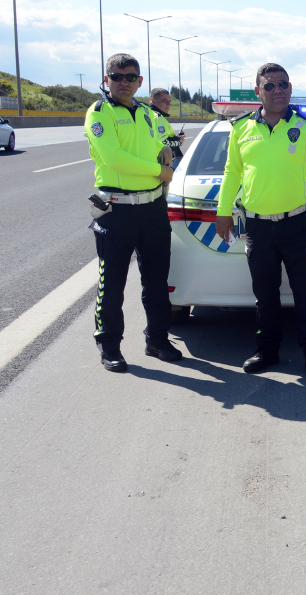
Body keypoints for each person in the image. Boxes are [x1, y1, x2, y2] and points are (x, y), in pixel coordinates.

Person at [216, 63, 306, 380]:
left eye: (283, 84)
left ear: (291, 88)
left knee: (305, 296)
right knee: (265, 296)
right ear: (258, 91)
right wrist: (222, 211)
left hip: (299, 224)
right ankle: (267, 351)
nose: (277, 90)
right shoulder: (240, 128)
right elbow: (232, 174)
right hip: (257, 227)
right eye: (269, 86)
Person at [84, 53, 182, 372]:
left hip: (152, 207)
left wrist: (165, 156)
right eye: (117, 76)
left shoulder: (146, 113)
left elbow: (160, 148)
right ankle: (110, 345)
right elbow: (114, 158)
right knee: (112, 282)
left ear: (140, 82)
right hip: (117, 209)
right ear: (106, 79)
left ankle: (157, 339)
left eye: (130, 77)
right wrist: (160, 170)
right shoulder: (99, 112)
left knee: (156, 280)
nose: (123, 82)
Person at [148, 87, 184, 166]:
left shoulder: (148, 114)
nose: (168, 104)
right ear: (153, 100)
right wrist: (179, 141)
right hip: (163, 164)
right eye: (164, 101)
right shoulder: (157, 117)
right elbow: (163, 143)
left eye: (169, 101)